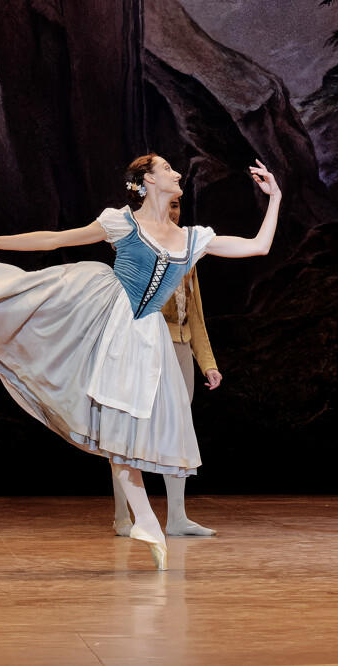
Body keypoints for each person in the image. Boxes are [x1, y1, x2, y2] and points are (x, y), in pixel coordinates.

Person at [0, 154, 281, 569]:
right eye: (166, 168)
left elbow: (259, 247)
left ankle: (145, 522)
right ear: (147, 181)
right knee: (9, 288)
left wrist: (274, 197)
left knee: (126, 427)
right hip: (102, 313)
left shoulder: (192, 238)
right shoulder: (121, 222)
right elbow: (56, 238)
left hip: (145, 337)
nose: (175, 173)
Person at [111, 197, 223, 538]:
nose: (174, 212)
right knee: (129, 430)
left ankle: (176, 517)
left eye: (178, 206)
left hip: (180, 347)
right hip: (146, 344)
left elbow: (196, 313)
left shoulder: (187, 249)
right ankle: (123, 515)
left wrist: (208, 363)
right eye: (169, 205)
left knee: (176, 429)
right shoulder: (138, 244)